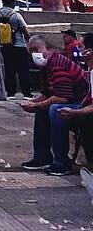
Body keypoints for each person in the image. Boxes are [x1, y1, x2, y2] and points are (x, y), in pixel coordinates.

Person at [20, 33, 92, 173]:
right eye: (31, 51)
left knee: (55, 109)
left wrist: (37, 104)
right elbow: (48, 93)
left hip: (80, 102)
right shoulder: (46, 67)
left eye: (37, 49)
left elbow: (62, 97)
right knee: (43, 109)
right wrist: (33, 103)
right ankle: (41, 157)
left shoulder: (58, 64)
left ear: (48, 48)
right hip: (74, 101)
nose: (35, 54)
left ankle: (61, 162)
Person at [0, 2, 32, 97]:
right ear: (12, 4)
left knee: (9, 70)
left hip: (5, 47)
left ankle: (11, 92)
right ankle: (26, 92)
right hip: (19, 46)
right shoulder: (16, 15)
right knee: (23, 70)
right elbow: (24, 29)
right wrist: (30, 41)